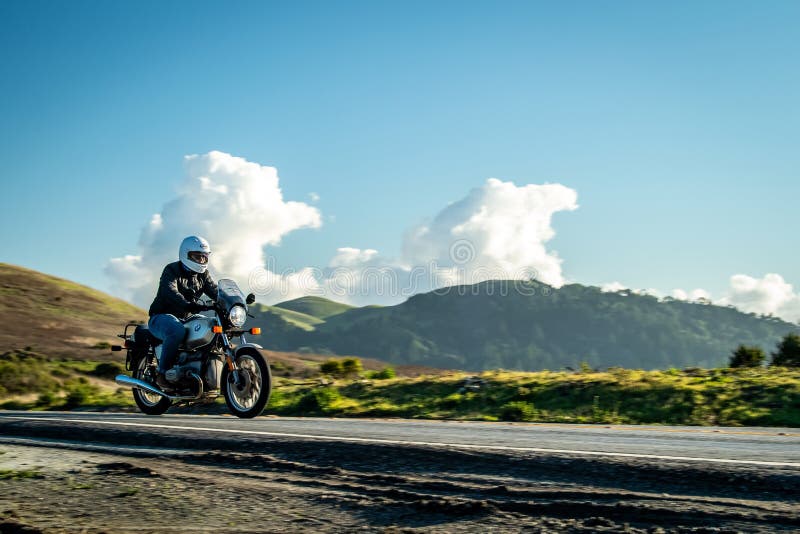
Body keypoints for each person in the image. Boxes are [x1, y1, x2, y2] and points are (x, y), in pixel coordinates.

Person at [148, 235, 218, 388]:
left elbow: (215, 290)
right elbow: (169, 291)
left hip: (187, 317)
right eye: (197, 256)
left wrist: (231, 301)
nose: (201, 260)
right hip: (161, 317)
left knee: (212, 327)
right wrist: (187, 304)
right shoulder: (171, 270)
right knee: (176, 330)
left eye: (204, 257)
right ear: (185, 254)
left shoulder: (203, 275)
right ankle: (163, 374)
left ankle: (199, 373)